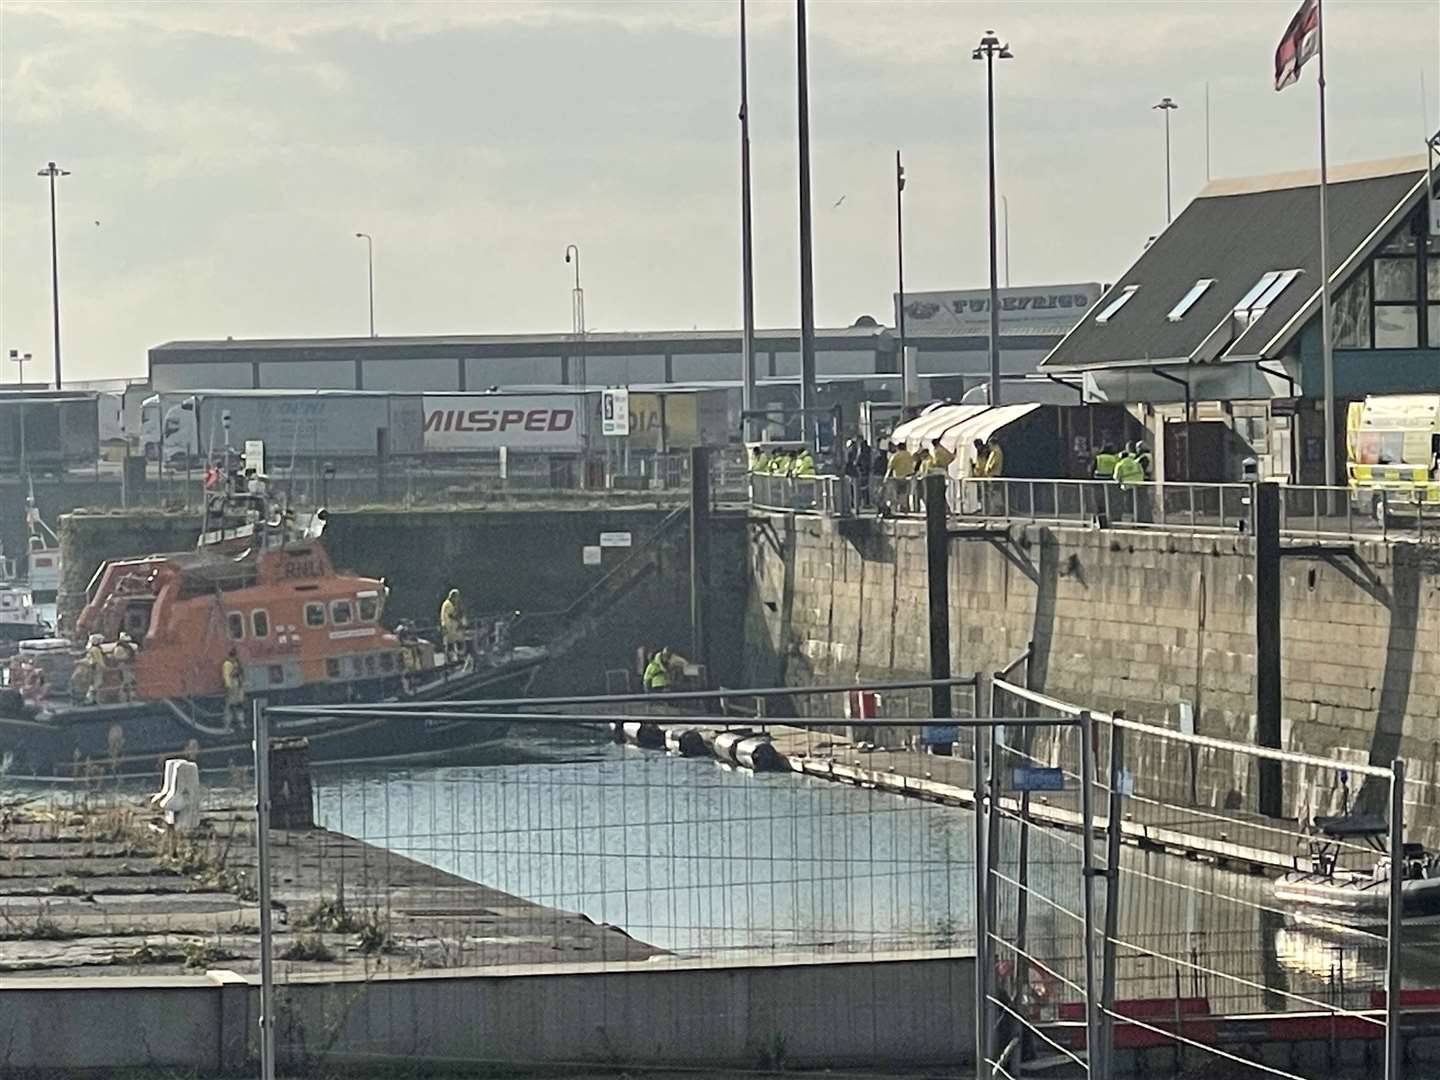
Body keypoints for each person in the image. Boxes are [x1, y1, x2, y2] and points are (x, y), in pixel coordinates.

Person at [439, 588, 466, 663]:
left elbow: (461, 614)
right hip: (449, 627)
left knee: (460, 642)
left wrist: (462, 623)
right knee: (450, 644)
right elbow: (448, 615)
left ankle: (460, 658)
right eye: (456, 596)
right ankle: (449, 660)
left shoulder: (457, 604)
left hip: (456, 627)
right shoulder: (447, 604)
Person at [221, 647, 245, 728]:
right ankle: (227, 724)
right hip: (232, 687)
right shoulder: (227, 664)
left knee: (239, 705)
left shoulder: (236, 663)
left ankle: (241, 721)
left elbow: (240, 674)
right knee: (230, 706)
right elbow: (226, 676)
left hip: (238, 686)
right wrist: (228, 686)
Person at [112, 631, 139, 704]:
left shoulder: (131, 647)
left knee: (131, 682)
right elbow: (119, 657)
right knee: (126, 683)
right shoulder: (119, 648)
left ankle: (132, 697)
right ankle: (125, 699)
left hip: (129, 667)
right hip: (124, 666)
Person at [82, 634, 107, 705]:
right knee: (96, 682)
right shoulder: (95, 649)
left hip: (94, 666)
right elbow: (98, 659)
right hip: (95, 667)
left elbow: (97, 659)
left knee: (95, 683)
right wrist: (104, 666)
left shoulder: (93, 649)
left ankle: (91, 698)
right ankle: (91, 698)